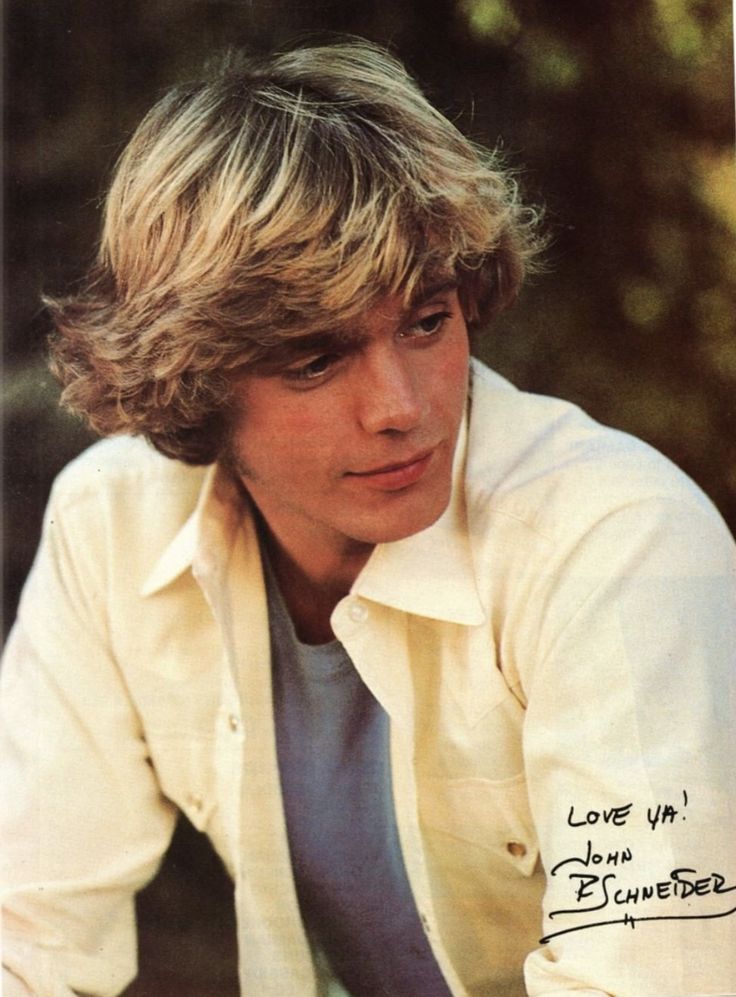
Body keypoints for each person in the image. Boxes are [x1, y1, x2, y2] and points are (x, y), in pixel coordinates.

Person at [1, 39, 734, 997]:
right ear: (196, 381)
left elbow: (655, 979)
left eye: (426, 320)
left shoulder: (618, 543)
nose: (400, 404)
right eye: (315, 359)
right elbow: (25, 931)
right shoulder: (113, 524)